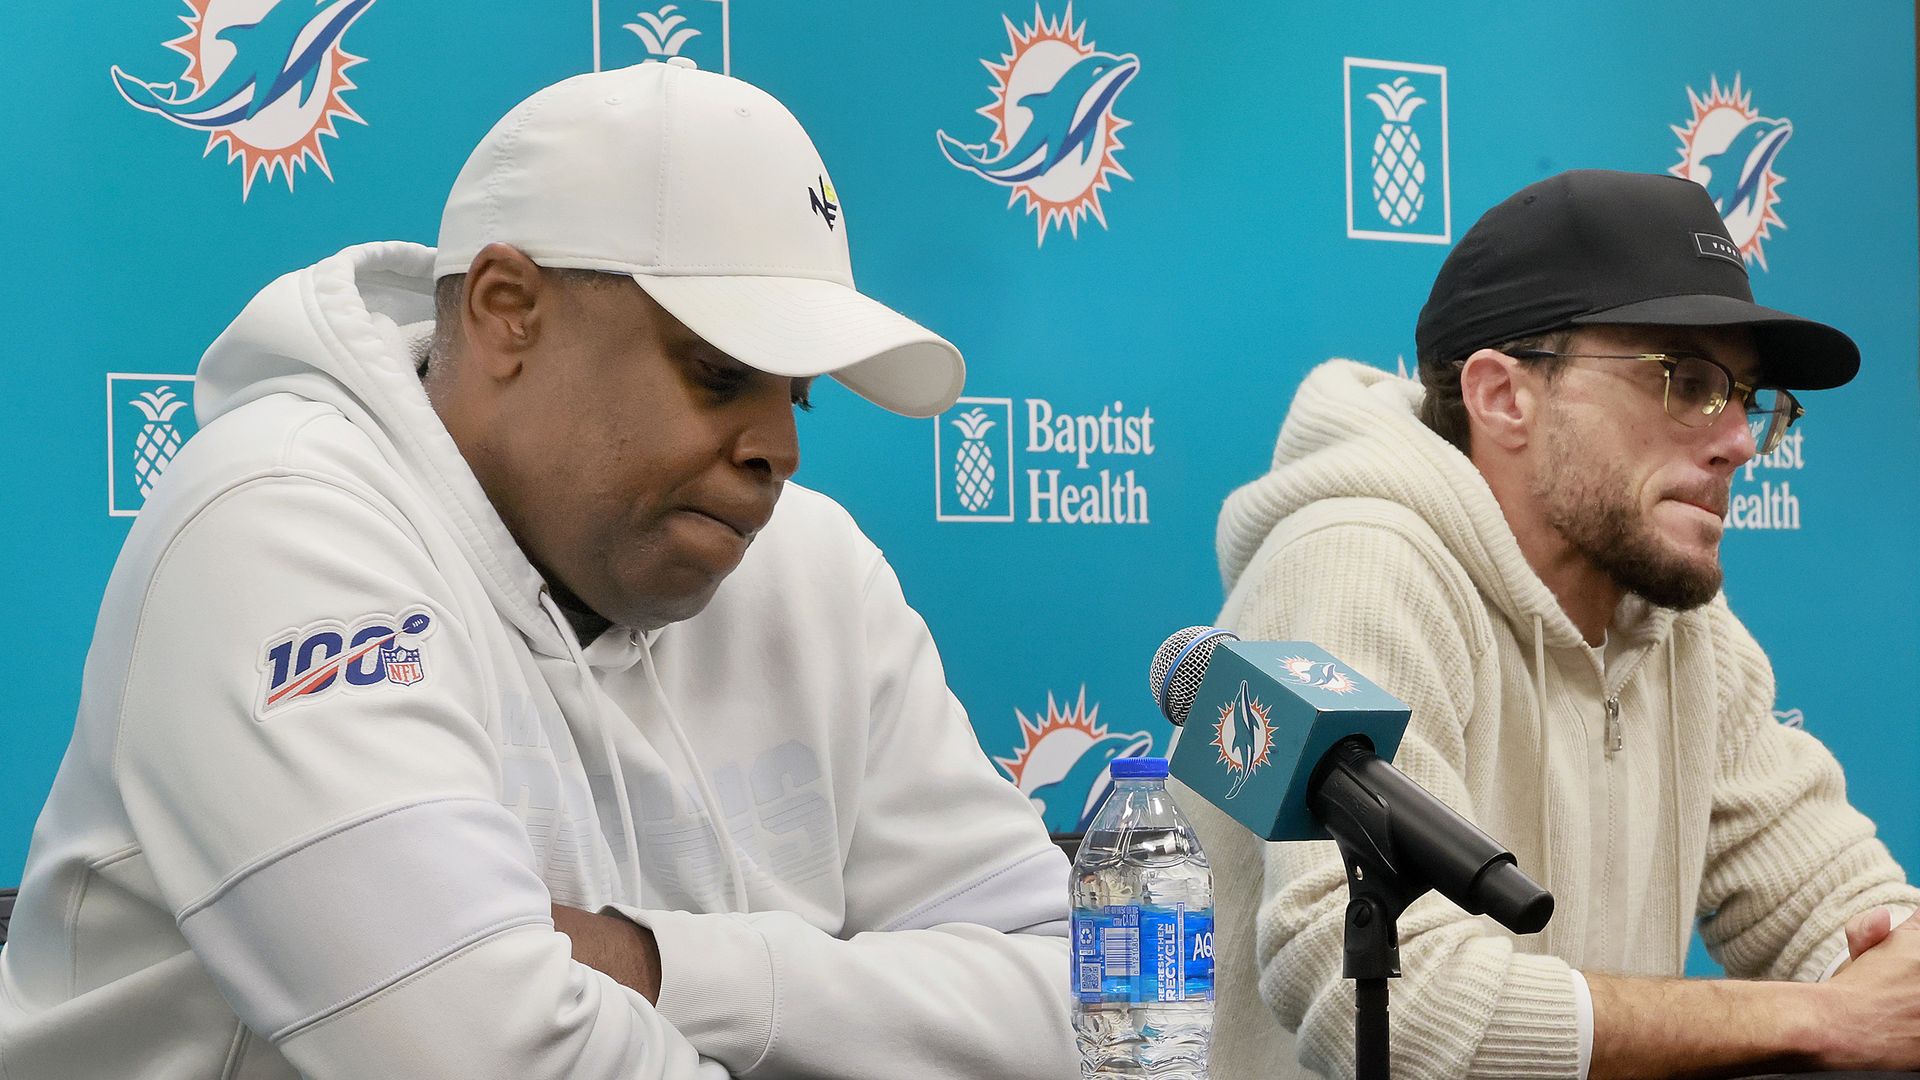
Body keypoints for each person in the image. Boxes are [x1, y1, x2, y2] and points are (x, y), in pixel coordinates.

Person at [0, 61, 1075, 1079]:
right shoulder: (275, 524)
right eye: (719, 374)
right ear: (509, 312)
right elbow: (478, 1051)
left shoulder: (816, 566)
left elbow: (1083, 1000)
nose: (778, 452)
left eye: (797, 394)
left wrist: (664, 970)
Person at [1181, 169, 1920, 1080]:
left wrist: (1881, 984)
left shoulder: (1677, 623)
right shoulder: (1346, 568)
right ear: (1503, 397)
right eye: (1687, 380)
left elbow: (1842, 914)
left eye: (1748, 396)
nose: (1736, 438)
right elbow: (1381, 1005)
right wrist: (1819, 1020)